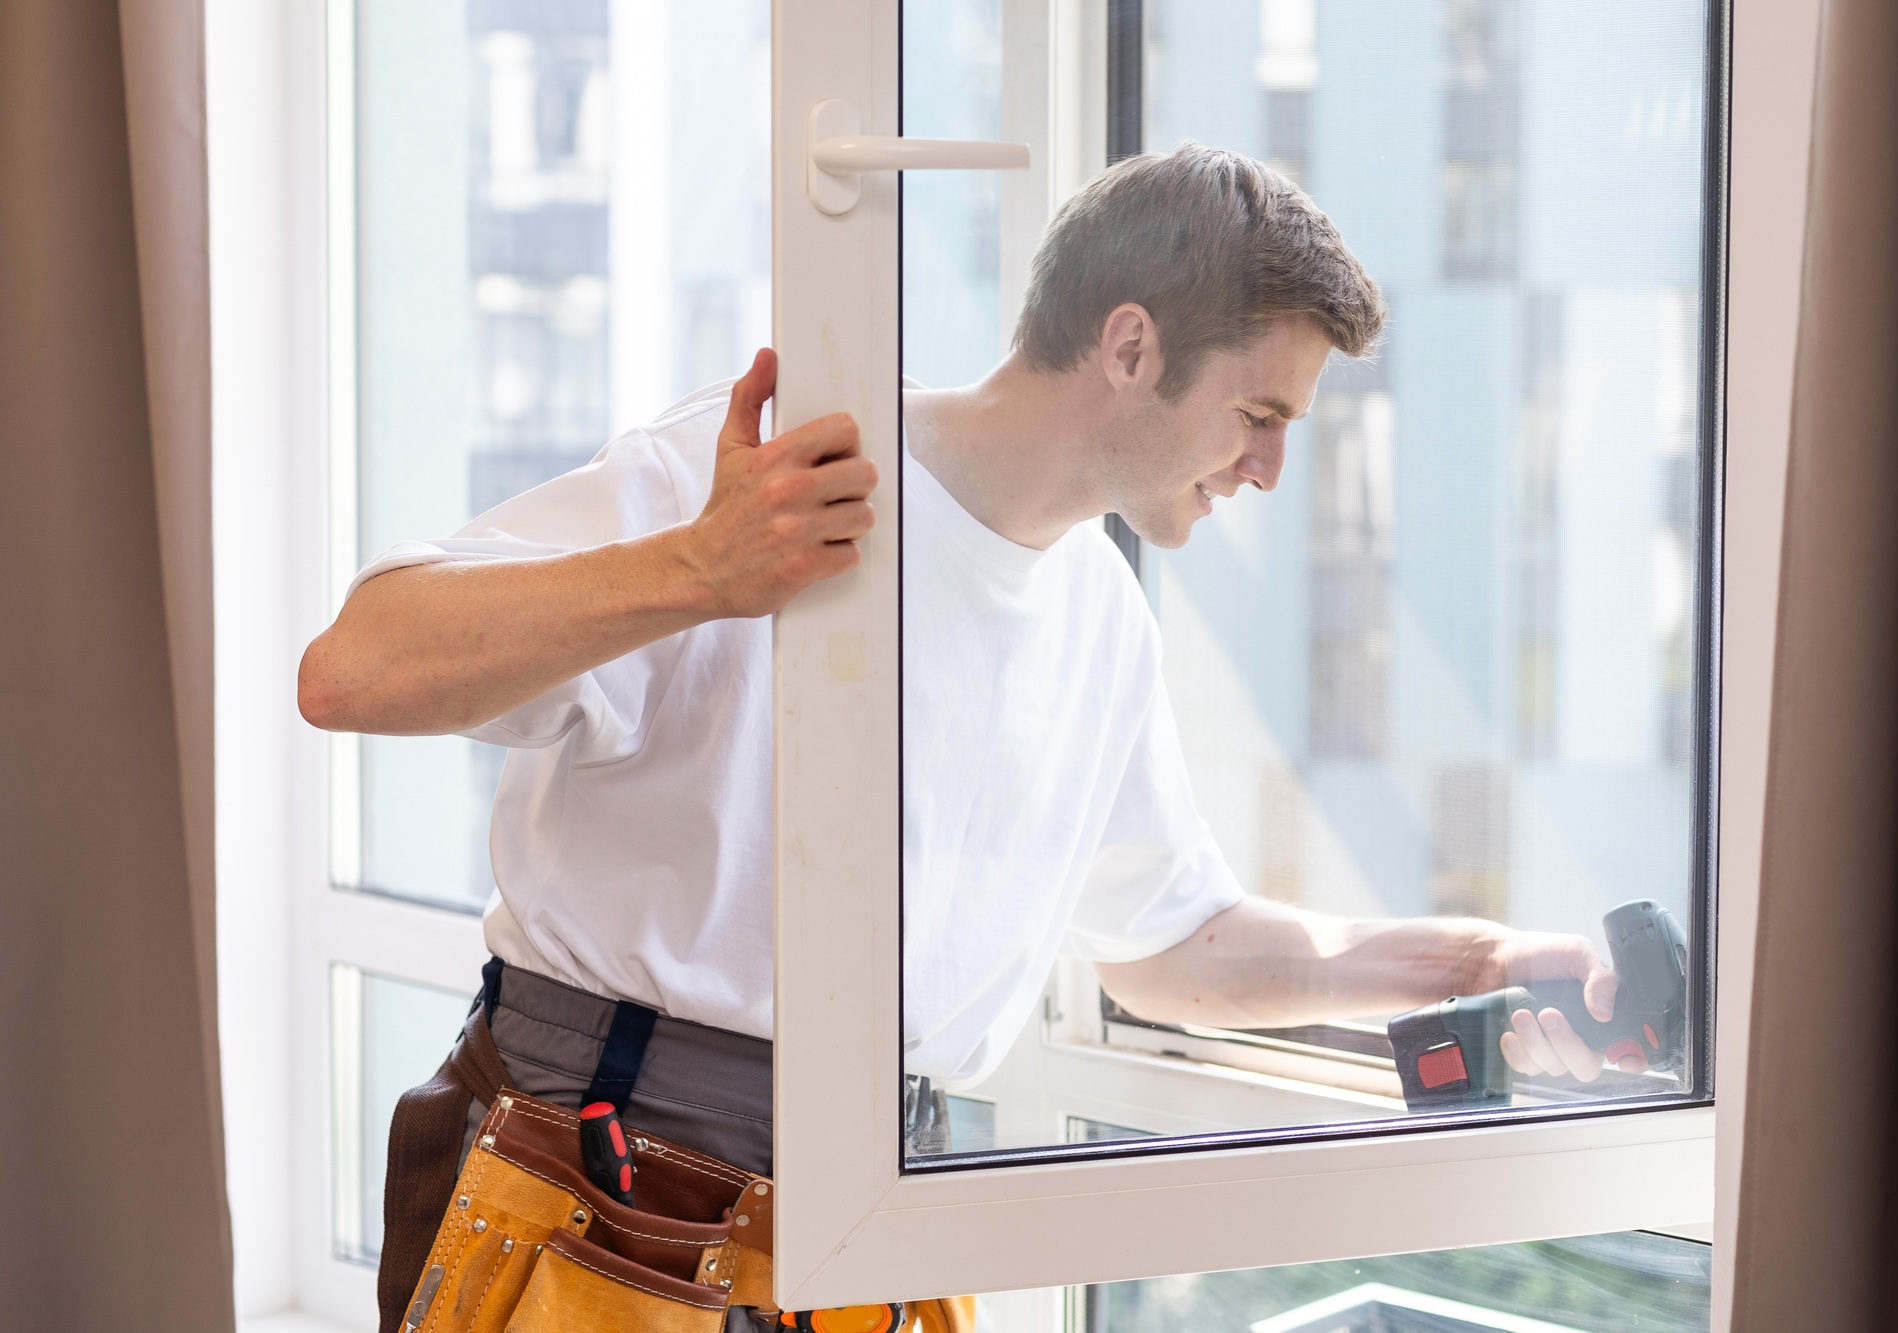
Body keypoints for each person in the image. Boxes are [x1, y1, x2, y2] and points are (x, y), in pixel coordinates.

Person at [301, 144, 1636, 1329]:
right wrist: (704, 567)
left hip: (873, 1234)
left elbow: (1180, 945)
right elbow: (353, 667)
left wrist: (1477, 959)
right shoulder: (784, 481)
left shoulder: (1101, 617)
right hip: (600, 1195)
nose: (1270, 471)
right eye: (1260, 415)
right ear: (1129, 347)